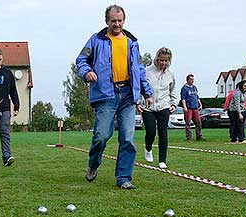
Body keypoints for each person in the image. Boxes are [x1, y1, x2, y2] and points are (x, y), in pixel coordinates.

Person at [76, 4, 153, 189]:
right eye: (113, 21)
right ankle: (94, 163)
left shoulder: (132, 42)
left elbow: (140, 69)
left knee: (127, 137)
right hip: (106, 94)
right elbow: (81, 60)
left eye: (120, 21)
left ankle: (124, 178)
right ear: (106, 21)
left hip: (128, 95)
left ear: (124, 21)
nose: (117, 24)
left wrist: (147, 91)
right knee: (101, 135)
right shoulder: (96, 40)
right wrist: (87, 72)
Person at [137, 47, 177, 169]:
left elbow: (173, 90)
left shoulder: (171, 75)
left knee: (163, 133)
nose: (163, 63)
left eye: (166, 61)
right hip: (148, 107)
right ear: (156, 59)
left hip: (163, 106)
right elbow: (139, 88)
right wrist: (138, 103)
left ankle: (162, 160)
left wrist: (173, 103)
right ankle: (148, 148)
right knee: (151, 132)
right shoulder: (146, 71)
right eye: (161, 60)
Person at [180, 74, 205, 141]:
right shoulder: (184, 88)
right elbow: (183, 99)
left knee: (198, 122)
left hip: (195, 108)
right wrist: (185, 107)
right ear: (187, 80)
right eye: (191, 79)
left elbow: (197, 97)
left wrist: (200, 104)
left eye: (193, 79)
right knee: (188, 123)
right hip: (189, 108)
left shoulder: (194, 87)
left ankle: (199, 136)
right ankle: (189, 137)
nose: (192, 81)